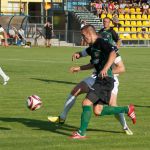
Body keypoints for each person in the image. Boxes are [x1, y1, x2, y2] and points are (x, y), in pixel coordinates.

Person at [69, 25, 136, 139]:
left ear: (89, 33)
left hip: (105, 80)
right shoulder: (93, 46)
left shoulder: (101, 42)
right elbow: (92, 62)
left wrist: (105, 68)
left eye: (83, 36)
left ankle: (81, 133)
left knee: (86, 103)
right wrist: (79, 67)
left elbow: (113, 52)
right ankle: (127, 109)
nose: (83, 38)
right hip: (101, 80)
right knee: (97, 111)